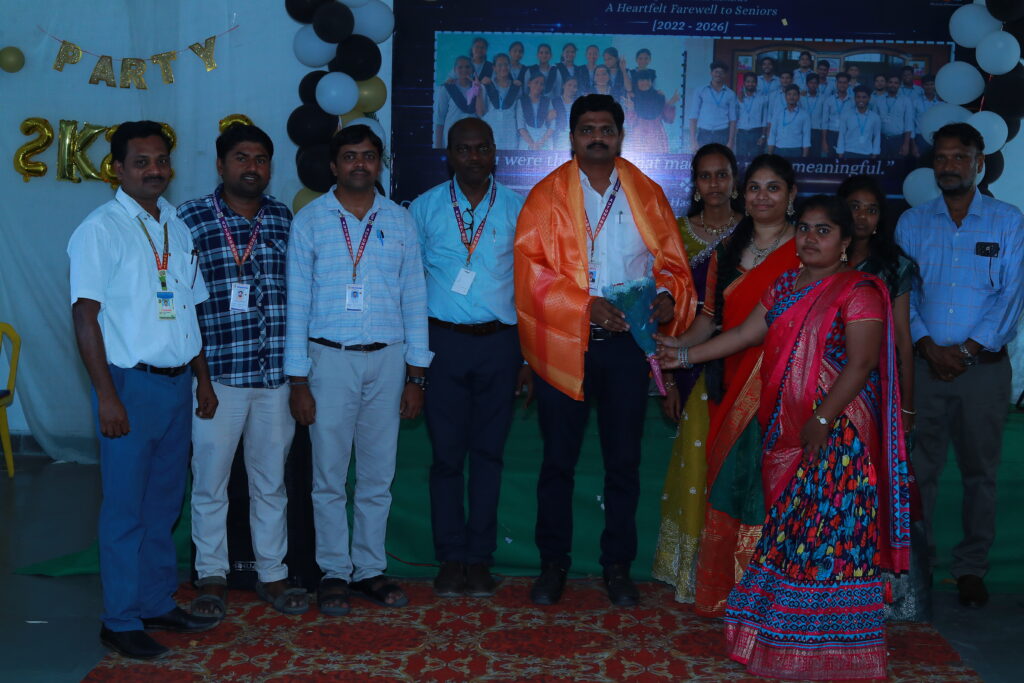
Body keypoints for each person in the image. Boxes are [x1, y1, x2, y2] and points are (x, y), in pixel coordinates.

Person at [656, 195, 911, 680]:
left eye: (823, 231)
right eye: (806, 229)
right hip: (786, 431)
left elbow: (861, 364)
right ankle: (783, 641)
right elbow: (745, 335)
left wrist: (823, 419)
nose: (810, 238)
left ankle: (833, 651)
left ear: (844, 242)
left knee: (828, 541)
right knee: (790, 537)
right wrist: (683, 356)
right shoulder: (783, 286)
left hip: (838, 439)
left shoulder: (860, 291)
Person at [514, 94, 696, 607]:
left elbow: (671, 264)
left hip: (624, 349)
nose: (597, 137)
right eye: (587, 129)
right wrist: (583, 306)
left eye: (606, 129)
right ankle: (553, 564)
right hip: (565, 345)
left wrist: (668, 296)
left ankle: (617, 566)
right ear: (572, 137)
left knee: (624, 462)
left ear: (620, 136)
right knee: (558, 461)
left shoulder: (647, 193)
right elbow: (531, 273)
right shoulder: (546, 197)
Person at [68, 120, 219, 660]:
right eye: (141, 162)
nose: (154, 171)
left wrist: (202, 379)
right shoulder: (100, 229)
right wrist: (108, 396)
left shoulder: (175, 224)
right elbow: (85, 317)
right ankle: (120, 619)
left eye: (161, 161)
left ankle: (155, 601)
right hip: (129, 387)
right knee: (125, 510)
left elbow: (189, 310)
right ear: (116, 169)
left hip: (177, 387)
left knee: (163, 504)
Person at [285, 125, 432, 616]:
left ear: (379, 163)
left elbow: (415, 299)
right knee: (328, 476)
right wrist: (298, 380)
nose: (360, 164)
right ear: (334, 165)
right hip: (328, 359)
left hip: (389, 358)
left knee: (376, 474)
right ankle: (333, 571)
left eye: (369, 156)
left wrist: (416, 375)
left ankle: (369, 569)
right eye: (350, 156)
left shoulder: (400, 220)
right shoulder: (310, 221)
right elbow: (297, 305)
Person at [660, 154, 801, 616]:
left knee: (774, 486)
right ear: (744, 193)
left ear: (791, 194)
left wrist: (686, 355)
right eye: (755, 187)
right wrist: (674, 344)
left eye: (773, 187)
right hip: (727, 378)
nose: (763, 196)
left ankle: (773, 590)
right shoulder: (727, 250)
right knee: (731, 482)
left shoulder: (807, 248)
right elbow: (710, 320)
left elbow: (759, 330)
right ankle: (731, 587)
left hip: (786, 382)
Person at [178, 124, 306, 619]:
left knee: (270, 483)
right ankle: (212, 574)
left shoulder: (283, 218)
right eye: (241, 158)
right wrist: (201, 378)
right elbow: (183, 305)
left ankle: (272, 575)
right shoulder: (189, 218)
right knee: (209, 483)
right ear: (220, 165)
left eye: (261, 159)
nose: (252, 167)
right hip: (218, 380)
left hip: (274, 380)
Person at [896, 123, 1024, 608]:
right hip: (925, 369)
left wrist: (967, 350)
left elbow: (1012, 295)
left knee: (979, 473)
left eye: (959, 157)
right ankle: (919, 566)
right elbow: (906, 296)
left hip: (983, 371)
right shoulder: (912, 223)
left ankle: (971, 568)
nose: (949, 166)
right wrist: (928, 346)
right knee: (920, 471)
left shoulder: (1008, 221)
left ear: (979, 163)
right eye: (942, 157)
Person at [409, 118, 529, 598]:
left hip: (501, 344)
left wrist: (528, 359)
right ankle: (450, 557)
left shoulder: (520, 208)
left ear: (494, 152)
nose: (473, 157)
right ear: (449, 155)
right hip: (443, 344)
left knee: (488, 456)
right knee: (445, 458)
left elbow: (532, 288)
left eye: (481, 148)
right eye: (463, 149)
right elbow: (409, 285)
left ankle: (479, 559)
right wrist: (415, 359)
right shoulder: (425, 208)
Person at [652, 143, 742, 603]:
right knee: (697, 463)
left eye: (721, 174)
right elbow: (665, 310)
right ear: (695, 184)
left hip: (744, 360)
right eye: (705, 176)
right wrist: (667, 378)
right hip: (687, 363)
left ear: (734, 180)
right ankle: (691, 570)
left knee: (736, 464)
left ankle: (736, 570)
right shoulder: (677, 234)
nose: (714, 184)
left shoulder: (752, 232)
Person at [839, 174, 928, 622]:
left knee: (870, 488)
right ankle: (827, 580)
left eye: (871, 209)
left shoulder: (895, 267)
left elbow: (903, 341)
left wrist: (906, 407)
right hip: (819, 390)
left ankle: (875, 591)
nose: (861, 216)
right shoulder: (818, 255)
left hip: (873, 394)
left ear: (880, 218)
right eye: (853, 207)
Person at [625, 70, 678, 155]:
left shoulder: (659, 96)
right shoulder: (632, 97)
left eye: (648, 80)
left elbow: (669, 119)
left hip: (657, 135)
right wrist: (631, 109)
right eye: (642, 80)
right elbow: (630, 122)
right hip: (639, 136)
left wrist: (671, 103)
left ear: (651, 81)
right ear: (637, 82)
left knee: (659, 160)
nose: (645, 82)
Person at [688, 60, 738, 151]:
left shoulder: (730, 94)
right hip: (704, 134)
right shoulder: (700, 91)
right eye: (716, 72)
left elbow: (733, 119)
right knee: (703, 159)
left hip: (722, 134)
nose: (718, 74)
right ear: (711, 73)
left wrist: (731, 141)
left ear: (725, 75)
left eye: (721, 72)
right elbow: (693, 116)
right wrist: (693, 141)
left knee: (721, 159)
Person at [476, 53, 521, 149]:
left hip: (510, 133)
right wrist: (478, 90)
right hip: (490, 131)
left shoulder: (516, 87)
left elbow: (519, 114)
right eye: (500, 65)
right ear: (494, 67)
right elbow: (480, 113)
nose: (503, 68)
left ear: (510, 66)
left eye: (506, 64)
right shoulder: (486, 85)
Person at [434, 56, 479, 149]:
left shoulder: (478, 89)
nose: (464, 70)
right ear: (455, 70)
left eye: (467, 67)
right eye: (460, 67)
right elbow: (440, 119)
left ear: (472, 69)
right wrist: (438, 146)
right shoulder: (447, 89)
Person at [836, 86, 881, 159]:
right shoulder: (846, 115)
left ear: (869, 98)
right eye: (858, 97)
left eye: (864, 97)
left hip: (867, 153)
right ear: (854, 98)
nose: (861, 100)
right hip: (849, 152)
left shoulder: (875, 117)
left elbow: (877, 137)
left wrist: (875, 153)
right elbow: (841, 135)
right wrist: (840, 152)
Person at [874, 74, 913, 158]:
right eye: (890, 82)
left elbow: (909, 124)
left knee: (897, 165)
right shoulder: (879, 100)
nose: (893, 85)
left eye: (896, 83)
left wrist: (906, 144)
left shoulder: (906, 101)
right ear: (886, 84)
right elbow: (874, 122)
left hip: (898, 140)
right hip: (882, 139)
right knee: (881, 164)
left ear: (899, 85)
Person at [766, 85, 810, 158]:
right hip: (779, 149)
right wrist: (769, 153)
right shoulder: (778, 113)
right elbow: (772, 134)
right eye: (789, 94)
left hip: (796, 150)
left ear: (799, 97)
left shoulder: (804, 115)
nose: (791, 97)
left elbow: (806, 137)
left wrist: (804, 157)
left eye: (794, 94)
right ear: (785, 96)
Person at [516, 73, 556, 150]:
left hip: (545, 142)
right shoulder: (521, 101)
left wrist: (541, 143)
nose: (538, 86)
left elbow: (552, 126)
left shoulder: (547, 101)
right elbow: (521, 126)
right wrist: (532, 144)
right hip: (526, 143)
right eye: (536, 82)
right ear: (529, 83)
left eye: (541, 84)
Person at [822, 72, 854, 157]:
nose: (842, 85)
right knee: (831, 160)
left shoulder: (853, 101)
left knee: (845, 160)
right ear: (836, 83)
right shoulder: (829, 100)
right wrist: (824, 141)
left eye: (845, 82)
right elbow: (824, 122)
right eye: (840, 82)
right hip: (832, 134)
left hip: (847, 135)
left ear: (848, 84)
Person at [735, 72, 767, 157]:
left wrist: (763, 136)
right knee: (741, 159)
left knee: (756, 159)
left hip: (756, 133)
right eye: (748, 82)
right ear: (744, 83)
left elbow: (764, 119)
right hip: (742, 133)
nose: (750, 84)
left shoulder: (762, 98)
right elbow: (735, 116)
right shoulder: (738, 98)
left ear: (756, 83)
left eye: (753, 82)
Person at [912, 74, 941, 159]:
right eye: (926, 84)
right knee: (919, 162)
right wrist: (913, 144)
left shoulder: (940, 103)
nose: (929, 87)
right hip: (920, 137)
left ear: (935, 85)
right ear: (922, 86)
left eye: (931, 84)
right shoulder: (916, 102)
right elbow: (911, 123)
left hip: (935, 137)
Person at [802, 74, 828, 157]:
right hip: (803, 130)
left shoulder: (823, 98)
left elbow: (824, 118)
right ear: (807, 84)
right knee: (803, 156)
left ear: (818, 84)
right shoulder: (801, 97)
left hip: (817, 131)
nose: (813, 85)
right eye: (810, 83)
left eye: (815, 83)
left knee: (815, 156)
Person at [551, 77, 582, 149]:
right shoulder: (554, 102)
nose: (571, 88)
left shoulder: (580, 102)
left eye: (574, 86)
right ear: (563, 85)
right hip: (559, 138)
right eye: (569, 85)